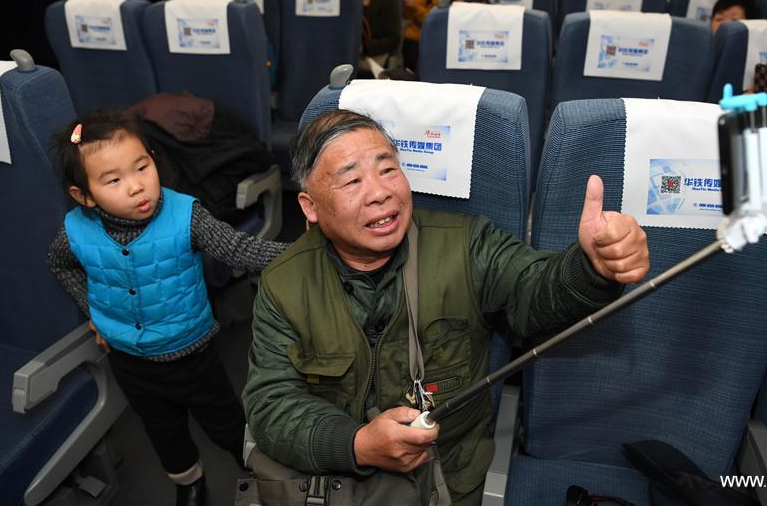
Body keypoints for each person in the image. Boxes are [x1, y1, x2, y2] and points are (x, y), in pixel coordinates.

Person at [243, 110, 650, 505]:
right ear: (310, 207)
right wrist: (357, 444)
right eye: (351, 180)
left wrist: (592, 268)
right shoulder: (285, 282)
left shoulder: (466, 245)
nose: (380, 192)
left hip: (447, 479)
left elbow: (534, 289)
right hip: (333, 484)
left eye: (388, 170)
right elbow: (271, 403)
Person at [48, 109, 288, 506]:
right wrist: (92, 313)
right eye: (114, 180)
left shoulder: (185, 214)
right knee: (163, 431)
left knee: (227, 424)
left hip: (192, 354)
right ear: (84, 196)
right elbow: (60, 264)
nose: (136, 186)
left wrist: (305, 254)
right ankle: (189, 482)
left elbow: (239, 248)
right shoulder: (75, 229)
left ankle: (261, 471)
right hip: (129, 360)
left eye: (142, 167)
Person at [351, 0, 401, 76]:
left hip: (376, 56)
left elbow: (393, 38)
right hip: (348, 54)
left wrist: (365, 47)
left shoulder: (388, 1)